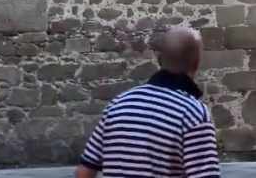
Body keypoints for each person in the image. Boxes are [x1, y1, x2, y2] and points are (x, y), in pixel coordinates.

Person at [76, 27, 220, 178]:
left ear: (159, 59)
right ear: (196, 63)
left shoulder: (117, 105)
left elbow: (84, 172)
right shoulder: (193, 114)